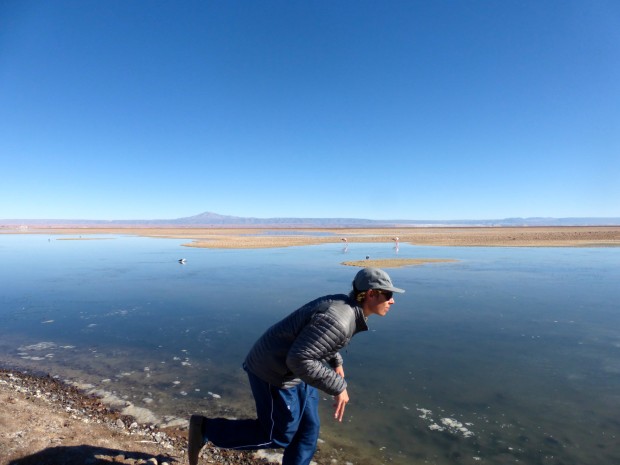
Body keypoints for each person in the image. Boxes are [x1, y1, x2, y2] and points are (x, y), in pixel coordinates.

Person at [188, 267, 405, 465]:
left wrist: (335, 361)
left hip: (297, 370)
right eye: (388, 295)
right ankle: (205, 429)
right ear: (370, 294)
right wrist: (339, 386)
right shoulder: (339, 319)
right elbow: (300, 359)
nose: (392, 301)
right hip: (273, 371)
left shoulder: (345, 307)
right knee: (278, 435)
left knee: (308, 431)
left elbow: (316, 338)